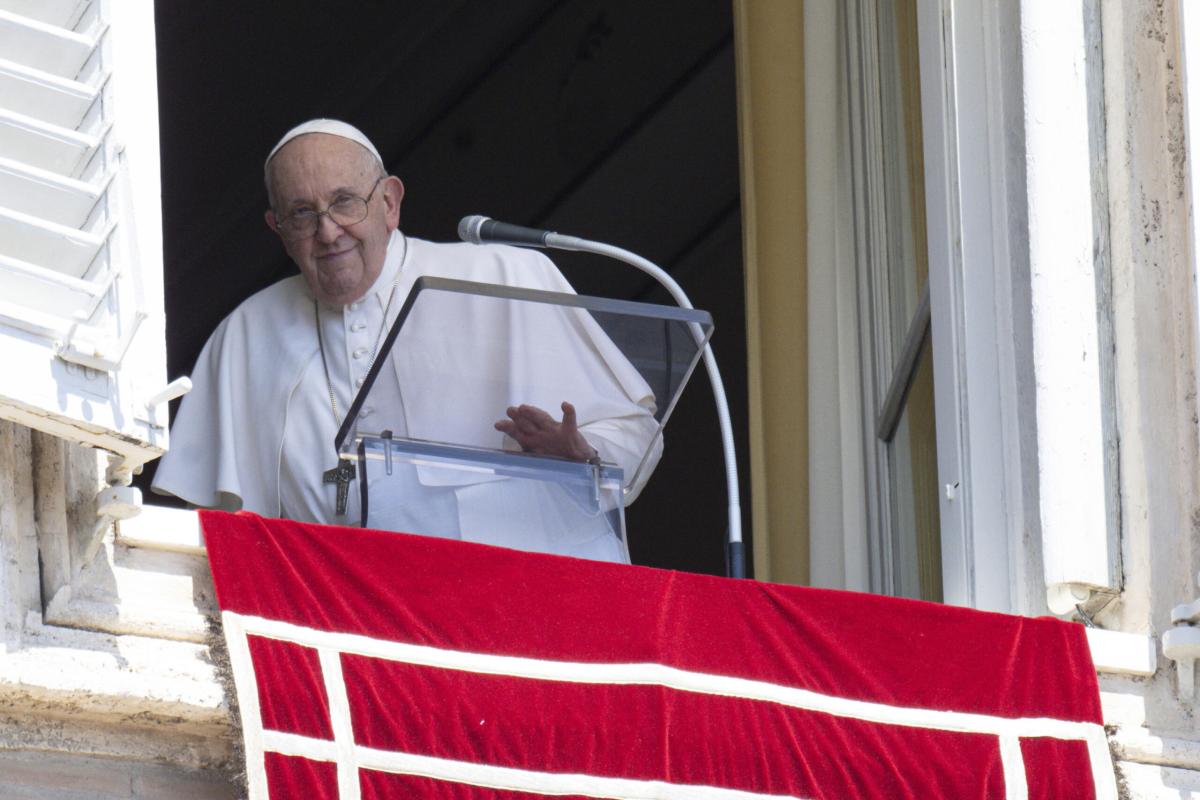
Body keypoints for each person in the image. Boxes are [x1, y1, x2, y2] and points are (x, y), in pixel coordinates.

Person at [152, 119, 662, 562]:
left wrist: (582, 455)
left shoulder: (505, 275)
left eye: (344, 203)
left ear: (390, 202)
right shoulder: (244, 336)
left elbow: (637, 431)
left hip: (519, 601)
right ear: (277, 228)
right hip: (342, 619)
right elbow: (226, 538)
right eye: (303, 214)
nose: (328, 233)